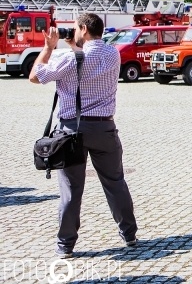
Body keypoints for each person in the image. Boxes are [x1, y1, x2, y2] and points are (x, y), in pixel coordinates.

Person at [29, 13, 138, 258]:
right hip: (105, 129)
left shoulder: (68, 58)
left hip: (71, 131)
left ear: (83, 29)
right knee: (115, 183)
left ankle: (65, 245)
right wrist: (74, 45)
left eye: (77, 29)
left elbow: (35, 76)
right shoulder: (113, 54)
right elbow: (89, 56)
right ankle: (129, 235)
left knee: (71, 189)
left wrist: (48, 48)